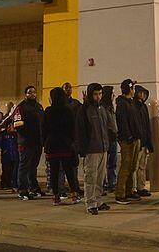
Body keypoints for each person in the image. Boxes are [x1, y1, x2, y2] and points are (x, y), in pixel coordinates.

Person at [75, 83, 111, 215]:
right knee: (91, 176)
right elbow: (81, 131)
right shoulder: (84, 110)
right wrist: (83, 149)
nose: (98, 96)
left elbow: (106, 126)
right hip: (91, 149)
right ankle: (90, 203)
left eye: (100, 94)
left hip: (103, 147)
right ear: (90, 94)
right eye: (95, 94)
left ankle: (98, 200)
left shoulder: (102, 108)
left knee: (100, 177)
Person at [42, 86, 81, 206]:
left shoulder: (48, 111)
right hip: (65, 145)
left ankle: (56, 197)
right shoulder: (68, 110)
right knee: (69, 171)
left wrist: (45, 143)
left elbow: (44, 129)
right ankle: (74, 194)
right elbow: (72, 128)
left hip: (52, 144)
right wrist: (72, 142)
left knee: (54, 172)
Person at [14, 85, 45, 200]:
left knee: (33, 166)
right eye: (29, 92)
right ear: (25, 94)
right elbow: (17, 125)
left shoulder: (39, 107)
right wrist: (27, 136)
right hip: (26, 142)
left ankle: (34, 188)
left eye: (34, 92)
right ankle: (22, 190)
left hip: (37, 142)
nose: (32, 94)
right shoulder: (21, 107)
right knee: (24, 166)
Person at [114, 79, 142, 204]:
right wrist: (129, 136)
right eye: (133, 88)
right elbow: (122, 121)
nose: (134, 91)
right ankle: (120, 193)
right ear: (129, 89)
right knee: (126, 166)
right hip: (127, 140)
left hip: (135, 138)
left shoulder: (131, 103)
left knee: (133, 166)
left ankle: (129, 191)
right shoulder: (122, 103)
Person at [101, 86, 118, 194]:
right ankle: (104, 183)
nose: (113, 96)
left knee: (113, 162)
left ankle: (112, 182)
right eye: (112, 93)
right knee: (104, 163)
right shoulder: (103, 108)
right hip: (107, 138)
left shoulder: (111, 108)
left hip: (113, 138)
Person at [0, 101, 19, 191]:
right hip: (7, 144)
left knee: (14, 164)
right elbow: (1, 126)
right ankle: (6, 182)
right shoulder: (6, 119)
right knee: (7, 165)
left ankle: (13, 182)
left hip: (13, 143)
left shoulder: (15, 118)